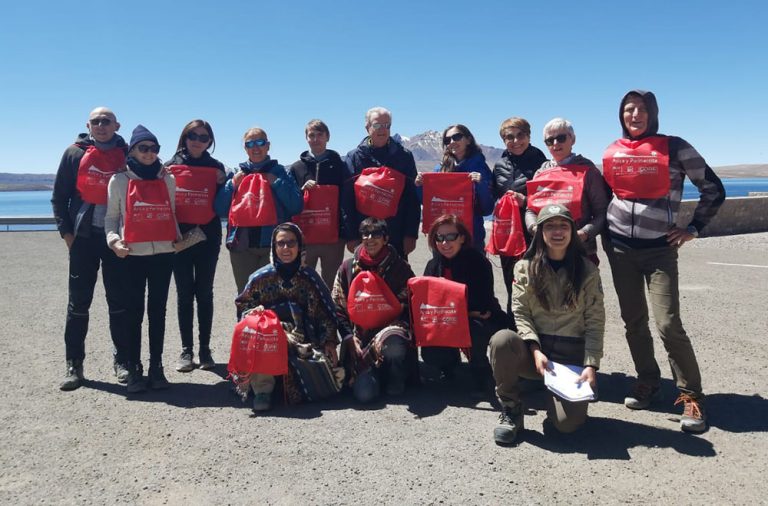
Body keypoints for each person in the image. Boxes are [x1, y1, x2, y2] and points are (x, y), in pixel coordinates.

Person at [603, 90, 725, 433]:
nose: (635, 115)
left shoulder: (674, 147)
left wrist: (694, 228)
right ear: (621, 115)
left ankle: (691, 395)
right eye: (628, 109)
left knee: (668, 323)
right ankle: (648, 381)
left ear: (653, 114)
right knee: (633, 322)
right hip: (619, 248)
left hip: (659, 250)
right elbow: (606, 195)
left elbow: (713, 188)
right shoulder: (613, 150)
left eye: (642, 109)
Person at [490, 205, 604, 444]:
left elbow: (595, 320)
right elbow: (520, 312)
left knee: (566, 426)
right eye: (550, 226)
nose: (557, 232)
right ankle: (511, 408)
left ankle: (555, 395)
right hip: (535, 355)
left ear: (572, 232)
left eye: (563, 226)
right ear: (540, 232)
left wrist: (590, 364)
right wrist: (534, 349)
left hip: (568, 359)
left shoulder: (588, 271)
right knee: (502, 340)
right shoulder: (524, 267)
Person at [51, 106, 129, 391]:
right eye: (96, 121)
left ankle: (122, 361)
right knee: (78, 305)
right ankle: (74, 364)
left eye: (106, 121)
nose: (101, 125)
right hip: (83, 239)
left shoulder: (128, 154)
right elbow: (59, 197)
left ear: (116, 125)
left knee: (119, 304)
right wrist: (67, 234)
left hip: (116, 240)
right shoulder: (74, 153)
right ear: (88, 125)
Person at [234, 223, 341, 412]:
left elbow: (327, 313)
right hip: (269, 340)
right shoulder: (259, 278)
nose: (286, 248)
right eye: (280, 243)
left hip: (304, 343)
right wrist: (254, 313)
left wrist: (329, 341)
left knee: (332, 377)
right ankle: (263, 391)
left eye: (291, 243)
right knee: (258, 332)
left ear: (300, 246)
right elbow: (243, 309)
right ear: (273, 247)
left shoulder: (310, 278)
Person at [105, 125, 180, 393]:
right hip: (132, 255)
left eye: (154, 148)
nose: (150, 153)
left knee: (157, 312)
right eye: (143, 148)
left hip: (163, 253)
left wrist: (177, 238)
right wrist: (114, 241)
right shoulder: (119, 180)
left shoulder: (167, 179)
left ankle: (156, 367)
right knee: (133, 313)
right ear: (133, 150)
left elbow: (171, 212)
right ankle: (134, 367)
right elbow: (111, 219)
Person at [420, 214, 512, 397]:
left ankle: (481, 370)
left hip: (484, 318)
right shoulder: (433, 264)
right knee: (431, 352)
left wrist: (456, 311)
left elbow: (481, 302)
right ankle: (450, 364)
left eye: (450, 237)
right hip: (451, 318)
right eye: (440, 237)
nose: (445, 243)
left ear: (462, 238)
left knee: (474, 329)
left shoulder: (478, 262)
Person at [164, 120, 228, 373]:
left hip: (208, 235)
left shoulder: (216, 168)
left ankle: (204, 349)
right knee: (183, 293)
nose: (198, 140)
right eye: (193, 135)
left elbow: (223, 203)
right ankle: (186, 349)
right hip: (179, 237)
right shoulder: (169, 167)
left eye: (203, 137)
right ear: (184, 137)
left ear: (209, 141)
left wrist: (225, 181)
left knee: (204, 292)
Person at [332, 218, 415, 403]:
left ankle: (396, 375)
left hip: (392, 331)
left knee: (393, 343)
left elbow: (410, 302)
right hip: (360, 337)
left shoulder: (400, 268)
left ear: (386, 238)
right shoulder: (347, 268)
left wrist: (387, 322)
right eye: (365, 234)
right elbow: (338, 304)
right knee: (364, 395)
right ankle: (371, 373)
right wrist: (347, 336)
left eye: (376, 234)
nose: (370, 238)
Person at [214, 127, 303, 296]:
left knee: (274, 296)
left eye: (260, 142)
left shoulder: (280, 173)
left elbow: (296, 206)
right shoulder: (237, 175)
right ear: (245, 148)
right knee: (246, 295)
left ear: (268, 146)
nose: (256, 147)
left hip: (273, 246)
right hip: (242, 247)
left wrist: (276, 183)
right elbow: (219, 209)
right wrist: (232, 184)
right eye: (250, 144)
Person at [525, 118, 609, 265]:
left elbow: (601, 211)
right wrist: (534, 228)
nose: (555, 144)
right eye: (550, 140)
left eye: (561, 138)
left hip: (581, 252)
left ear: (573, 139)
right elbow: (530, 210)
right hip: (546, 252)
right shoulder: (540, 172)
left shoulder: (587, 170)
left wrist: (584, 233)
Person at [344, 107, 420, 259]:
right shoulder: (354, 158)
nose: (382, 130)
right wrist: (351, 235)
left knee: (397, 279)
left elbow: (412, 198)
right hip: (365, 235)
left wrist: (411, 234)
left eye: (387, 125)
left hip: (396, 234)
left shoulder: (403, 156)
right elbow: (347, 200)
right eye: (377, 125)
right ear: (367, 127)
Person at [491, 117, 548, 313]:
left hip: (534, 235)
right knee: (513, 285)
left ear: (529, 136)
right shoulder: (499, 166)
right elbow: (490, 198)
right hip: (509, 237)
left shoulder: (542, 162)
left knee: (536, 287)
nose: (515, 141)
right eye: (509, 137)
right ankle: (514, 334)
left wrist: (525, 201)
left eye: (520, 135)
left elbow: (550, 197)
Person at [288, 119, 352, 288]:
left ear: (327, 137)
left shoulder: (340, 165)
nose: (315, 139)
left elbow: (347, 199)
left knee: (330, 283)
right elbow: (289, 200)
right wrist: (302, 190)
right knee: (303, 281)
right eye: (311, 135)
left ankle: (329, 313)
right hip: (305, 236)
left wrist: (347, 231)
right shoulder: (296, 168)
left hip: (333, 238)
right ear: (306, 138)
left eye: (320, 135)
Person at [415, 125, 494, 250]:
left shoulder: (481, 169)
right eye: (447, 140)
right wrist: (420, 186)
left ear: (468, 140)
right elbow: (428, 203)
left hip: (471, 239)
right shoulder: (440, 169)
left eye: (457, 137)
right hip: (443, 239)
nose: (452, 142)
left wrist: (481, 185)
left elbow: (487, 209)